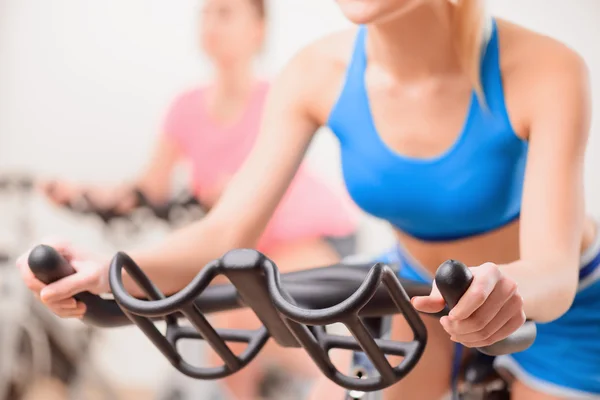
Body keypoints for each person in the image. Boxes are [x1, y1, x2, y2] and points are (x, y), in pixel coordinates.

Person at [18, 0, 598, 399]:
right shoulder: (316, 73)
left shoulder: (546, 69)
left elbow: (552, 272)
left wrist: (505, 290)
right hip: (422, 293)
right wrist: (113, 273)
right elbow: (225, 233)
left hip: (563, 308)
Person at [35, 0, 359, 398]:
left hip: (310, 234)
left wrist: (232, 189)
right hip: (241, 244)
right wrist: (84, 194)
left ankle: (346, 381)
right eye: (205, 13)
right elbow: (149, 188)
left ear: (257, 30)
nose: (210, 23)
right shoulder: (186, 107)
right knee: (227, 333)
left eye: (225, 13)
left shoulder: (277, 99)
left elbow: (264, 184)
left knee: (252, 318)